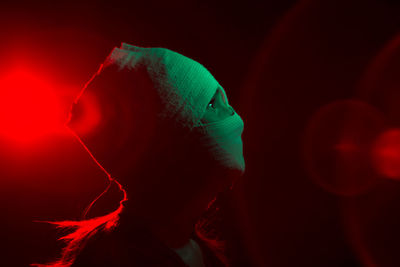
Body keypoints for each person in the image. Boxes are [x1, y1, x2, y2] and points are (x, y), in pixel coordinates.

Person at [33, 43, 245, 267]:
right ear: (170, 145)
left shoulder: (199, 250)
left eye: (224, 99)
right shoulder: (115, 260)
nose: (232, 112)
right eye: (212, 104)